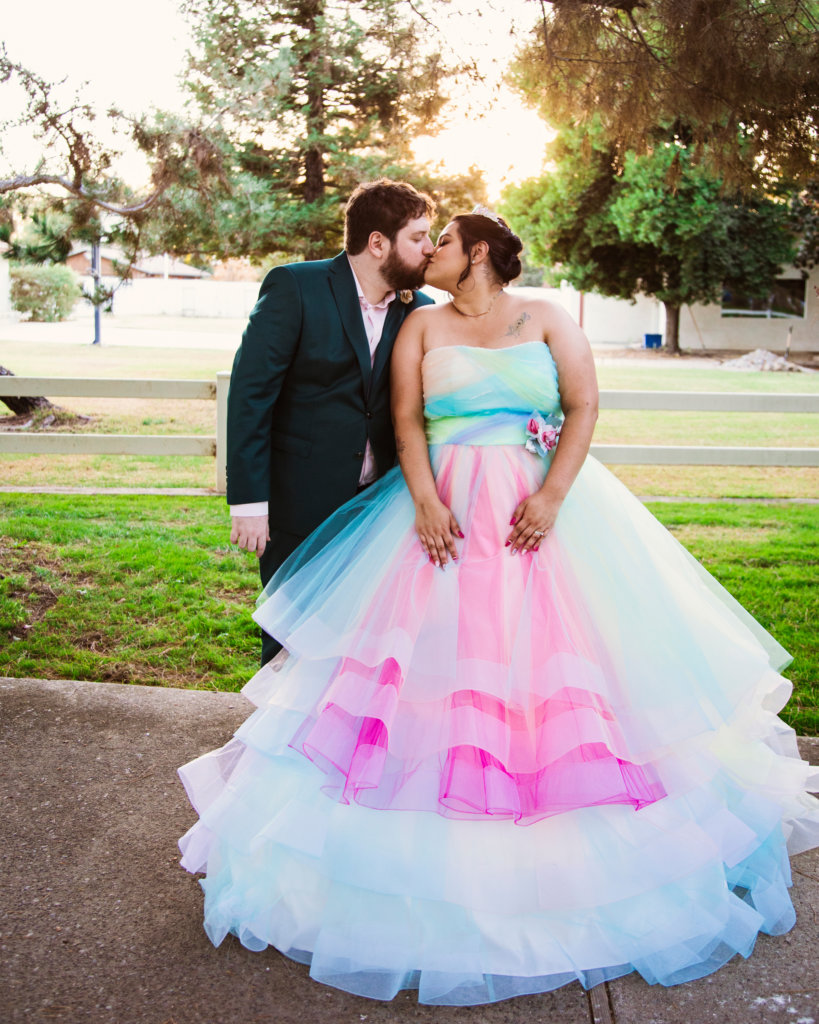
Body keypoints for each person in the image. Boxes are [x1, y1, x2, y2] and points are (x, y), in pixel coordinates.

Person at [179, 209, 819, 1006]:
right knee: (419, 670)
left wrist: (552, 495)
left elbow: (582, 407)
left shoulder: (548, 317)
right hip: (440, 514)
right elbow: (407, 421)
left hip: (537, 514)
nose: (430, 254)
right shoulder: (423, 324)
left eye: (441, 242)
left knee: (555, 663)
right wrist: (422, 501)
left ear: (476, 251)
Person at [226, 178, 436, 663]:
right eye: (418, 237)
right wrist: (250, 502)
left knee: (363, 639)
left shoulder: (420, 310)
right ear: (378, 243)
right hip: (299, 502)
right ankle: (274, 737)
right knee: (289, 635)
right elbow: (251, 397)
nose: (429, 249)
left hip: (381, 508)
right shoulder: (295, 287)